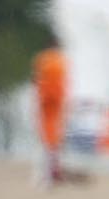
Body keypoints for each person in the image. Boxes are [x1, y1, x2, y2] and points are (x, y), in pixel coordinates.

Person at [32, 37, 68, 186]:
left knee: (46, 137)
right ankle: (55, 170)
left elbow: (35, 79)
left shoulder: (41, 59)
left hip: (45, 100)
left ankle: (48, 173)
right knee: (55, 136)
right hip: (57, 101)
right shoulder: (61, 60)